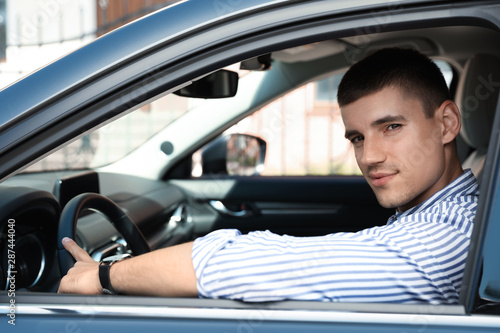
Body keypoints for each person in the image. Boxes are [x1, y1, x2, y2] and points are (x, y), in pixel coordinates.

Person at [58, 48, 479, 304]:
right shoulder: (437, 213)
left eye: (391, 127)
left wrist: (104, 276)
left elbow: (249, 266)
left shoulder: (449, 239)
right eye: (356, 137)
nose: (368, 157)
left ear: (446, 124)